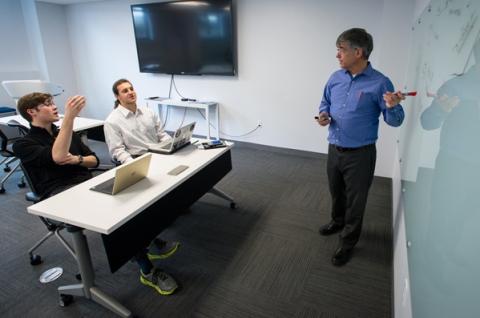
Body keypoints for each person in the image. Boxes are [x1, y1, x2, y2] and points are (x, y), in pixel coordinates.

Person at [13, 92, 179, 295]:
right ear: (32, 112)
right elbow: (57, 156)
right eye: (47, 104)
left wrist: (77, 160)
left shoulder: (65, 133)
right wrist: (70, 119)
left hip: (87, 183)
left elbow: (94, 160)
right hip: (59, 194)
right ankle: (147, 270)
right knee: (115, 211)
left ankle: (148, 240)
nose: (54, 106)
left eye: (53, 102)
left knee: (135, 195)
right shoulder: (23, 144)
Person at [316, 28, 405, 266]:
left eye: (341, 50)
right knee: (336, 191)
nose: (337, 55)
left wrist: (393, 106)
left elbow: (394, 120)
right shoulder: (335, 77)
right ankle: (337, 221)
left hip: (361, 154)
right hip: (334, 148)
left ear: (358, 52)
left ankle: (347, 242)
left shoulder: (380, 82)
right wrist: (323, 114)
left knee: (356, 201)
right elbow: (324, 101)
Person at [103, 78, 171, 164]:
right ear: (117, 96)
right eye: (125, 91)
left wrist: (172, 145)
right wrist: (133, 164)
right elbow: (117, 150)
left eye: (131, 89)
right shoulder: (112, 121)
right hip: (137, 159)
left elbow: (161, 134)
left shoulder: (149, 112)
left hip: (158, 153)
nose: (130, 92)